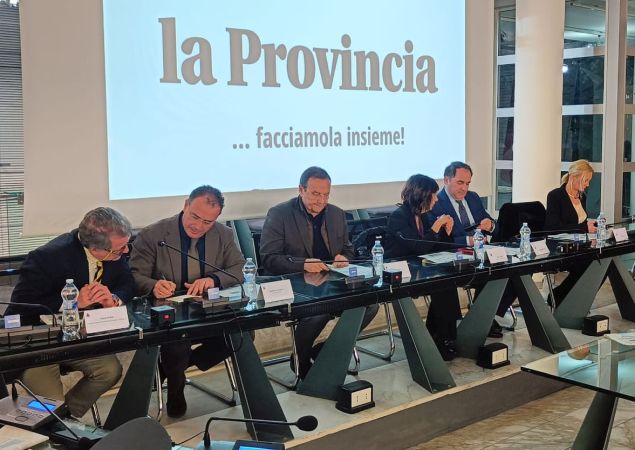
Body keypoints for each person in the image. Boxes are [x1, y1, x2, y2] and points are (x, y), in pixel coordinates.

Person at [129, 185, 245, 417]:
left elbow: (239, 268)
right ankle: (175, 390)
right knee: (177, 345)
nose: (198, 226)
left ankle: (173, 368)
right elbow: (133, 275)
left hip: (207, 309)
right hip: (168, 313)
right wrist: (154, 285)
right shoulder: (154, 234)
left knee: (241, 335)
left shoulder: (223, 234)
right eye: (195, 216)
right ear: (185, 205)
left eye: (207, 222)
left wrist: (213, 279)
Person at [8, 207, 134, 418]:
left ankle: (66, 419)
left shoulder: (115, 251)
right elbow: (21, 307)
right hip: (40, 344)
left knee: (110, 371)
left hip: (80, 338)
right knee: (51, 404)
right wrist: (72, 302)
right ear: (95, 248)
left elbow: (128, 284)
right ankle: (55, 421)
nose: (125, 252)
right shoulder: (47, 258)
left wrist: (112, 298)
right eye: (119, 250)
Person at [259, 166, 379, 379]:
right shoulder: (280, 214)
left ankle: (327, 350)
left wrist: (344, 257)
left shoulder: (336, 213)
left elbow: (348, 248)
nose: (321, 200)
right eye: (315, 194)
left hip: (331, 281)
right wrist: (303, 264)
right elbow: (268, 258)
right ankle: (301, 359)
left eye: (326, 195)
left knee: (370, 304)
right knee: (319, 309)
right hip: (297, 283)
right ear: (301, 190)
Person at [428, 161, 510, 338]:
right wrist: (469, 240)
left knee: (513, 271)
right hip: (456, 257)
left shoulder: (472, 198)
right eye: (460, 183)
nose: (464, 188)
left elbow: (495, 227)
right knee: (485, 274)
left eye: (467, 183)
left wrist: (490, 225)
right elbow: (439, 241)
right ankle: (481, 317)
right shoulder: (436, 203)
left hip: (481, 253)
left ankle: (485, 315)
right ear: (446, 180)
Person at [384, 174, 461, 360]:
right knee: (442, 285)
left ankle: (443, 336)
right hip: (398, 272)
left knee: (446, 282)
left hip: (419, 269)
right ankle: (440, 338)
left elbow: (436, 247)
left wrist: (446, 231)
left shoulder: (423, 216)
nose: (436, 199)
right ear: (422, 195)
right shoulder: (399, 217)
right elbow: (417, 246)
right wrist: (436, 228)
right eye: (433, 195)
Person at [544, 159, 597, 306]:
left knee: (601, 261)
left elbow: (580, 223)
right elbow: (553, 227)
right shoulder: (555, 196)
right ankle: (559, 297)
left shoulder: (582, 197)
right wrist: (584, 228)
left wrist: (590, 227)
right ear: (574, 177)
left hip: (579, 245)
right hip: (559, 247)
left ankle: (576, 300)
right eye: (586, 180)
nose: (588, 184)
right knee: (588, 263)